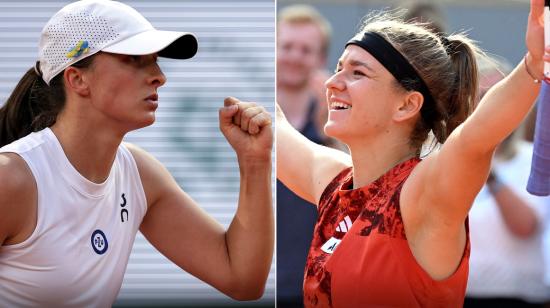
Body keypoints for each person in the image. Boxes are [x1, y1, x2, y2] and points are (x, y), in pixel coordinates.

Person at [0, 0, 273, 306]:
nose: (159, 76)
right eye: (134, 58)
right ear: (78, 79)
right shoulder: (10, 177)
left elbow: (242, 279)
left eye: (154, 60)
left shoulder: (140, 174)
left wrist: (255, 162)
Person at [276, 0, 547, 306]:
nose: (332, 83)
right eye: (339, 68)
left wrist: (533, 66)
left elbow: (475, 139)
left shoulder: (422, 195)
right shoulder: (335, 182)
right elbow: (274, 127)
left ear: (407, 105)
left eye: (357, 73)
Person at [464, 55, 550, 307]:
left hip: (519, 299)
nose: (491, 105)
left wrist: (489, 173)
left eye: (499, 95)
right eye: (482, 97)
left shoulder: (532, 159)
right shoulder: (444, 161)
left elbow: (525, 227)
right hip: (460, 297)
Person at [275, 5, 335, 307]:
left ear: (321, 59)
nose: (294, 57)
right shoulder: (246, 113)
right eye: (286, 46)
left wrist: (333, 132)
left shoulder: (338, 121)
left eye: (305, 50)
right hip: (256, 281)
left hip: (317, 286)